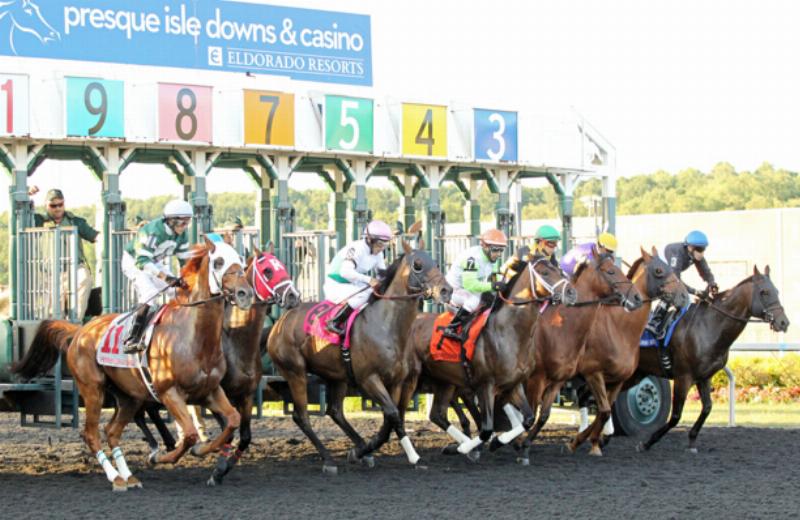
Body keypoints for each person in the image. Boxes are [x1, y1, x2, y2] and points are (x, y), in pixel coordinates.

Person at [121, 199, 193, 353]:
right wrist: (166, 278)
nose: (185, 226)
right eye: (182, 223)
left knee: (179, 292)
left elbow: (185, 261)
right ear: (171, 221)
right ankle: (132, 338)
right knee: (150, 293)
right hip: (135, 262)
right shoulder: (153, 231)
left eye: (187, 222)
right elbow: (142, 261)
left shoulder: (182, 235)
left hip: (155, 261)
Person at [30, 187, 99, 321]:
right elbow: (21, 216)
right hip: (51, 273)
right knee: (54, 309)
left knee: (84, 277)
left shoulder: (75, 221)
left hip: (75, 268)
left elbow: (95, 236)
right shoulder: (39, 221)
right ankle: (58, 327)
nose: (57, 208)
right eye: (53, 205)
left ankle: (75, 322)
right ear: (46, 205)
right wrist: (26, 197)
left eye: (60, 204)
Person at [323, 220, 392, 335]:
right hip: (335, 285)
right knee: (366, 293)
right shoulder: (356, 248)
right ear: (370, 240)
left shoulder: (378, 254)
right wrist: (369, 280)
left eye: (386, 245)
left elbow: (382, 274)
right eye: (380, 244)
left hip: (352, 284)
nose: (382, 248)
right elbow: (345, 272)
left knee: (377, 292)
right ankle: (335, 322)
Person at [646, 230, 718, 339]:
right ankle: (653, 322)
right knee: (673, 292)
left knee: (681, 297)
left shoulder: (694, 254)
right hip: (655, 273)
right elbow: (676, 281)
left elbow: (706, 272)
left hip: (668, 275)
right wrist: (695, 291)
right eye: (699, 249)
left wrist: (712, 283)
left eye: (704, 249)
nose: (702, 253)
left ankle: (669, 326)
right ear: (690, 248)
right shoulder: (677, 254)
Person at [442, 228, 508, 340]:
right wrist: (493, 286)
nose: (499, 254)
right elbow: (470, 285)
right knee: (474, 300)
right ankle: (451, 328)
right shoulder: (472, 258)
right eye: (496, 250)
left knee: (493, 298)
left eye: (501, 250)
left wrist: (502, 283)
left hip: (465, 289)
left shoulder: (491, 258)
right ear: (485, 246)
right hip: (452, 290)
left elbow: (494, 276)